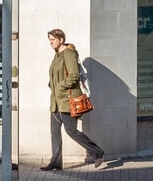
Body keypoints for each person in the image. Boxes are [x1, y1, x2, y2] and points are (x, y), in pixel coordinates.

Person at [43, 29, 106, 170]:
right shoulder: (57, 55)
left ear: (61, 39)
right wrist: (51, 85)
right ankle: (55, 162)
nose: (50, 42)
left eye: (52, 39)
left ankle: (97, 152)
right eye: (49, 40)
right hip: (56, 102)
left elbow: (74, 76)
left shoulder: (69, 54)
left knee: (71, 131)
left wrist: (60, 86)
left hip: (67, 101)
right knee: (54, 132)